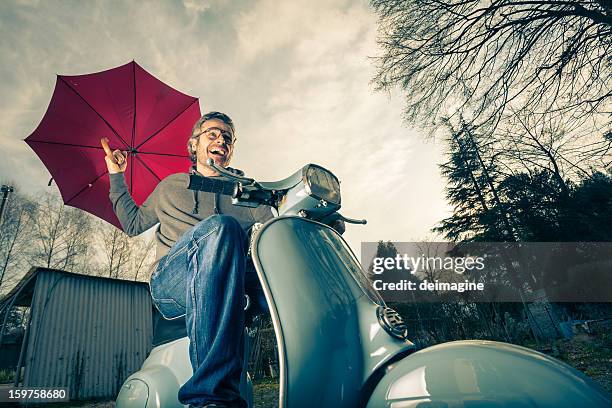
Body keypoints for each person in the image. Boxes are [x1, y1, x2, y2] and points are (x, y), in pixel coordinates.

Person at [101, 112, 272, 408]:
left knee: (272, 274)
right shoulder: (172, 185)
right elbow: (133, 223)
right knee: (223, 228)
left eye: (228, 138)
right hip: (172, 283)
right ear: (194, 145)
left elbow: (276, 232)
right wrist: (116, 176)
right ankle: (209, 397)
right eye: (213, 134)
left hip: (224, 280)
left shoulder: (246, 193)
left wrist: (313, 222)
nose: (222, 140)